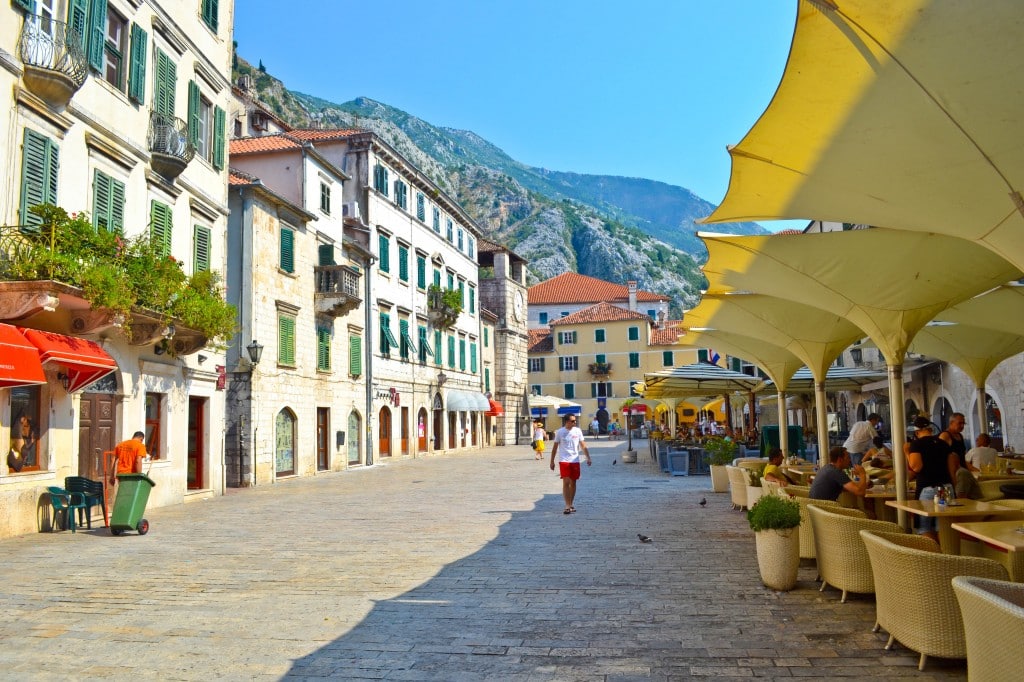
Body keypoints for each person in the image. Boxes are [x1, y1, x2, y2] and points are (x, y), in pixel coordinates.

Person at [905, 416, 958, 542]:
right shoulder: (944, 444)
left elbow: (916, 467)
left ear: (917, 432)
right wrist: (953, 489)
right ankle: (945, 555)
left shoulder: (916, 444)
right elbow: (952, 470)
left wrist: (907, 452)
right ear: (930, 429)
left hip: (927, 488)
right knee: (942, 527)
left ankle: (933, 558)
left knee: (925, 527)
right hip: (946, 488)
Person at [550, 414, 591, 515]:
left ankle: (571, 504)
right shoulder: (560, 432)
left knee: (573, 483)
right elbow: (555, 448)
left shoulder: (578, 431)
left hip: (575, 460)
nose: (575, 422)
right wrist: (552, 461)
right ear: (567, 422)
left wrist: (588, 457)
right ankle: (567, 505)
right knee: (566, 481)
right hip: (564, 460)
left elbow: (583, 445)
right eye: (572, 421)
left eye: (575, 421)